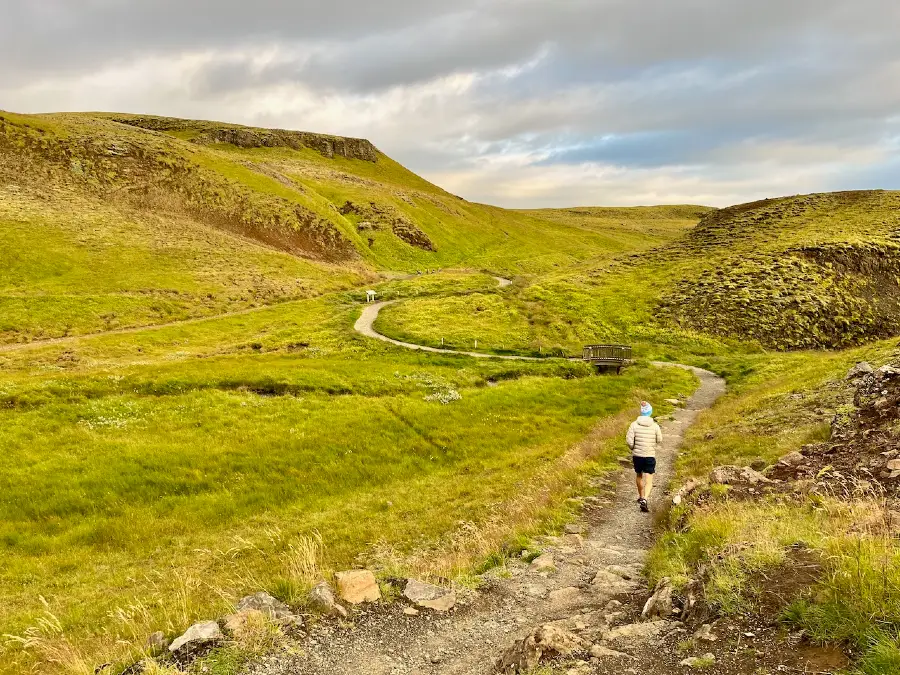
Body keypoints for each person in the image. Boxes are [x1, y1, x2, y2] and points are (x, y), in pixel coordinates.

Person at [626, 401, 662, 512]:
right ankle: (645, 499)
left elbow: (629, 440)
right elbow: (660, 439)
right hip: (649, 455)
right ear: (650, 412)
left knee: (639, 475)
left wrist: (633, 448)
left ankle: (641, 496)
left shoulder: (633, 425)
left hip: (637, 455)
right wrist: (652, 445)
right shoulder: (655, 426)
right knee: (649, 479)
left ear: (641, 412)